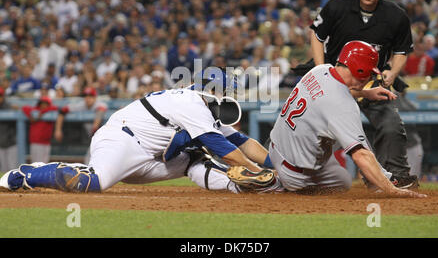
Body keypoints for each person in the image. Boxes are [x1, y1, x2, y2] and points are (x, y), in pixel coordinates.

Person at [0, 69, 274, 194]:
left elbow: (243, 142)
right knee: (90, 184)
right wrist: (253, 168)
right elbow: (226, 151)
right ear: (211, 91)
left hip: (153, 158)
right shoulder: (190, 103)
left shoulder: (202, 110)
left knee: (195, 158)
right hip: (121, 140)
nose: (227, 97)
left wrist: (277, 166)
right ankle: (28, 174)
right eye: (224, 92)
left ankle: (242, 188)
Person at [229, 41, 425, 198]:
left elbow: (334, 92)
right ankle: (275, 184)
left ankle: (274, 174)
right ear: (359, 71)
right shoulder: (342, 107)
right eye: (368, 72)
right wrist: (391, 191)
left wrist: (367, 93)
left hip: (277, 148)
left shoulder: (321, 70)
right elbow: (360, 156)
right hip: (296, 173)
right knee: (354, 143)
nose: (369, 76)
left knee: (343, 182)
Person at [305, 0, 418, 187]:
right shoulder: (337, 6)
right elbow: (317, 36)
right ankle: (302, 174)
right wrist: (321, 72)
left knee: (390, 124)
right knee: (307, 124)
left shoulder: (396, 16)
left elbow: (401, 51)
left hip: (371, 81)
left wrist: (392, 73)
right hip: (335, 80)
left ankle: (397, 177)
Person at [54, 87, 108, 164]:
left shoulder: (99, 104)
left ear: (95, 97)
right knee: (90, 160)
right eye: (86, 96)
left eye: (90, 96)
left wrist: (95, 126)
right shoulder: (81, 105)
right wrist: (58, 130)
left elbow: (101, 109)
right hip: (92, 138)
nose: (88, 98)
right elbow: (63, 111)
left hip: (103, 137)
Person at [21, 96, 59, 163]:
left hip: (45, 143)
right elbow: (24, 108)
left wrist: (42, 112)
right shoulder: (35, 111)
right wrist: (30, 116)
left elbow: (55, 108)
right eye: (42, 103)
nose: (43, 105)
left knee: (44, 165)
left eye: (45, 104)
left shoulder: (50, 111)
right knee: (35, 164)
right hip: (35, 143)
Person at [0, 87, 18, 172]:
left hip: (11, 144)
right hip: (1, 144)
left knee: (12, 169)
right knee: (3, 169)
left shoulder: (8, 107)